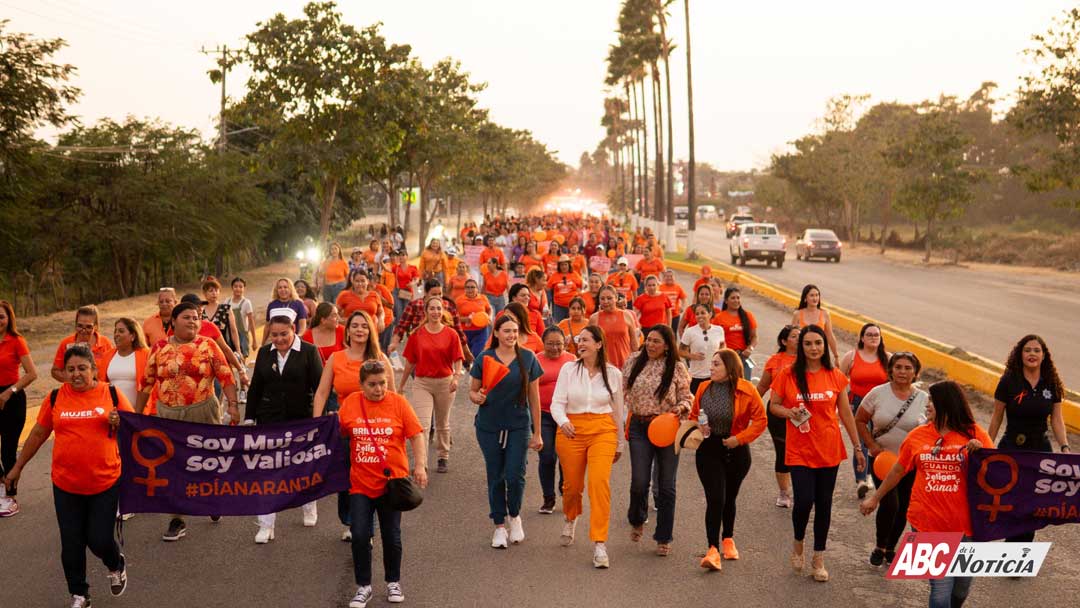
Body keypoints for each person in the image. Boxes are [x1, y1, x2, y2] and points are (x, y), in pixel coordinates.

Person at [3, 345, 131, 606]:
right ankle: (79, 594)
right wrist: (17, 468)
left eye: (82, 368)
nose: (76, 374)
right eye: (70, 369)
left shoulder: (112, 394)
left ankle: (115, 563)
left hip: (104, 482)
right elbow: (38, 434)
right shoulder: (54, 398)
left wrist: (122, 423)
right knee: (71, 542)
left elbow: (137, 430)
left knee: (99, 539)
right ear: (63, 373)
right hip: (66, 484)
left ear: (94, 370)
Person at [860, 381, 992, 608]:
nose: (927, 405)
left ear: (947, 404)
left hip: (967, 524)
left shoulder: (975, 433)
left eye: (932, 401)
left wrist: (980, 452)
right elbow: (898, 470)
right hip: (927, 520)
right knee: (940, 588)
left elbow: (995, 474)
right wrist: (875, 497)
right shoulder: (917, 436)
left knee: (961, 587)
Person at [768, 324, 864, 582]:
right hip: (800, 449)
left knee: (824, 504)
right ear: (801, 347)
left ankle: (818, 557)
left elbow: (845, 413)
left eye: (818, 343)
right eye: (808, 343)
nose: (813, 348)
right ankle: (798, 542)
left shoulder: (835, 375)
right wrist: (789, 413)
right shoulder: (788, 374)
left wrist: (857, 447)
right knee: (804, 501)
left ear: (824, 346)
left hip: (829, 449)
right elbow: (774, 405)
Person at [138, 301, 239, 542]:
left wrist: (233, 406)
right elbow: (147, 382)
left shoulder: (208, 345)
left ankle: (211, 498)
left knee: (207, 460)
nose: (193, 321)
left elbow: (226, 377)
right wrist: (136, 413)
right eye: (187, 317)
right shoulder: (159, 347)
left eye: (196, 317)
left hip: (203, 412)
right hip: (168, 415)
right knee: (173, 466)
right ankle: (177, 518)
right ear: (173, 322)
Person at [339, 360, 428, 608]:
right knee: (358, 535)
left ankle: (393, 582)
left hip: (392, 484)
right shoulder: (351, 403)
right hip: (360, 483)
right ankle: (363, 586)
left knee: (392, 536)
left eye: (383, 383)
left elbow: (416, 434)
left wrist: (419, 465)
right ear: (361, 385)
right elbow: (337, 432)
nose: (379, 389)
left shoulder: (398, 403)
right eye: (372, 385)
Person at [314, 310, 395, 541]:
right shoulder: (336, 359)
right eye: (355, 326)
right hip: (345, 429)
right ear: (347, 331)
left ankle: (366, 528)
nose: (359, 330)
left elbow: (393, 397)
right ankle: (350, 520)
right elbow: (321, 392)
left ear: (370, 331)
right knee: (346, 478)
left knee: (371, 479)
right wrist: (317, 423)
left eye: (364, 326)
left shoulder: (380, 359)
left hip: (375, 431)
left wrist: (393, 431)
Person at [245, 309, 324, 542]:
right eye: (274, 335)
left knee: (303, 467)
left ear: (294, 330)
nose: (278, 339)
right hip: (269, 420)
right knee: (268, 471)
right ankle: (266, 524)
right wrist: (250, 417)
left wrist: (320, 418)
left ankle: (309, 506)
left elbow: (320, 387)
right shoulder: (264, 353)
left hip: (301, 419)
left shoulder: (309, 351)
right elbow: (256, 388)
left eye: (283, 334)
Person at [550, 325, 624, 568]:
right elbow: (556, 404)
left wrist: (620, 442)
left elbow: (618, 411)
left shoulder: (613, 374)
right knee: (571, 487)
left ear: (599, 344)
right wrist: (564, 422)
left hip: (603, 430)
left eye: (585, 340)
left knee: (598, 483)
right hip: (572, 429)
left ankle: (599, 543)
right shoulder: (568, 369)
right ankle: (571, 517)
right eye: (578, 340)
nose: (580, 344)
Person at [469, 314, 544, 549]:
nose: (511, 335)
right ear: (497, 333)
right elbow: (472, 391)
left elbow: (534, 397)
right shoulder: (485, 357)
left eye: (515, 331)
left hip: (518, 424)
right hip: (489, 425)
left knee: (515, 474)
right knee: (496, 475)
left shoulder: (528, 358)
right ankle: (499, 526)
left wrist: (537, 432)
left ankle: (514, 515)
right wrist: (478, 397)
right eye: (507, 331)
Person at [987, 334, 1069, 543]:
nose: (1032, 354)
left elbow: (1057, 420)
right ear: (1020, 354)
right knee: (1013, 500)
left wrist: (1065, 446)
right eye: (1027, 350)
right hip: (1012, 448)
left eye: (1036, 350)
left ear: (1044, 356)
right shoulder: (1008, 381)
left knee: (1033, 503)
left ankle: (1021, 550)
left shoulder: (1052, 383)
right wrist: (987, 446)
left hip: (1040, 449)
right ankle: (1012, 545)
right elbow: (996, 419)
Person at [692, 348, 767, 570]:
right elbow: (694, 415)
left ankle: (728, 539)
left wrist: (740, 439)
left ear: (730, 368)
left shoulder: (747, 390)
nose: (711, 368)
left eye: (716, 364)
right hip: (709, 449)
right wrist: (698, 425)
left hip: (737, 451)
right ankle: (712, 549)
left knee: (729, 498)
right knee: (716, 498)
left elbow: (761, 420)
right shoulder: (704, 387)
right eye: (711, 363)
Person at [623, 325, 692, 556]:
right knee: (640, 481)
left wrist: (679, 409)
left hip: (667, 428)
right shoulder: (633, 361)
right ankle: (637, 518)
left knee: (666, 486)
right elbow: (623, 391)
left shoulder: (677, 368)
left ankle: (663, 536)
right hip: (639, 428)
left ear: (666, 346)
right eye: (649, 340)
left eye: (656, 342)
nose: (650, 345)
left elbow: (686, 398)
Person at [855, 352, 927, 567]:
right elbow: (860, 420)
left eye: (907, 368)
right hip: (883, 460)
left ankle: (891, 547)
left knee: (903, 506)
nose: (903, 372)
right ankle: (880, 545)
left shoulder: (924, 399)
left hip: (911, 463)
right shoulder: (877, 393)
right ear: (891, 370)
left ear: (915, 372)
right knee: (890, 503)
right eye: (898, 367)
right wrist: (872, 446)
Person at [400, 297, 465, 475]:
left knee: (442, 423)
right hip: (422, 383)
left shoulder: (451, 334)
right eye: (432, 309)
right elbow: (410, 362)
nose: (435, 312)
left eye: (439, 309)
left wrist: (456, 378)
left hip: (445, 382)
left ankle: (443, 455)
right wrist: (401, 384)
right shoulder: (417, 334)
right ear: (426, 312)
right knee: (423, 424)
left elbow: (458, 359)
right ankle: (422, 463)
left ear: (442, 311)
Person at [840, 323, 889, 498]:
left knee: (876, 441)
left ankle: (871, 475)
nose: (873, 337)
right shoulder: (851, 356)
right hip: (858, 404)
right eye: (869, 335)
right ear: (862, 338)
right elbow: (838, 380)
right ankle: (861, 480)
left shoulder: (888, 358)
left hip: (881, 405)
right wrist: (841, 405)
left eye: (876, 335)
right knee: (860, 442)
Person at [0, 301, 38, 518]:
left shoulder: (17, 341)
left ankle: (11, 496)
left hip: (12, 399)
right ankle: (1, 486)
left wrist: (9, 392)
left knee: (7, 450)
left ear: (9, 318)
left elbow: (32, 373)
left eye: (1, 317)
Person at [756, 325, 799, 508]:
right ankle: (784, 493)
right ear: (784, 341)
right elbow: (763, 387)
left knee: (801, 454)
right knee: (783, 453)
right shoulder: (775, 360)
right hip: (777, 412)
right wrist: (749, 408)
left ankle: (801, 489)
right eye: (794, 336)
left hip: (802, 415)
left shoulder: (810, 361)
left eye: (800, 336)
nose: (798, 339)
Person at [536, 327, 576, 515]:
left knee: (565, 456)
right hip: (543, 414)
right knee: (547, 456)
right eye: (550, 344)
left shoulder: (571, 360)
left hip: (566, 416)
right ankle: (548, 498)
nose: (554, 348)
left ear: (565, 343)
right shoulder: (536, 360)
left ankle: (563, 485)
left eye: (558, 344)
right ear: (543, 344)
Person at [388, 279, 470, 364]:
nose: (438, 297)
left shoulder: (449, 307)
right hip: (419, 350)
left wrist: (466, 352)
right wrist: (394, 343)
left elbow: (459, 331)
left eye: (440, 294)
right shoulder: (415, 305)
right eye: (434, 294)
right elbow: (401, 326)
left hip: (442, 352)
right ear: (425, 293)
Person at [51, 305, 115, 382]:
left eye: (88, 327)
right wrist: (72, 380)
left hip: (99, 390)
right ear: (75, 325)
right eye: (80, 326)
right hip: (74, 391)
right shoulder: (66, 343)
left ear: (96, 327)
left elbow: (114, 370)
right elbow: (55, 371)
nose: (83, 330)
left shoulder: (105, 343)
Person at [99, 318, 151, 411]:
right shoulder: (107, 355)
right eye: (115, 331)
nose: (116, 334)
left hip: (139, 412)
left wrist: (138, 413)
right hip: (113, 413)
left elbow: (150, 386)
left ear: (133, 336)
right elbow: (101, 384)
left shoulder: (146, 355)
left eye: (121, 331)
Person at [679, 303, 725, 395]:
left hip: (714, 375)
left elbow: (723, 347)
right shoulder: (690, 332)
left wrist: (719, 358)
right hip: (696, 376)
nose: (700, 316)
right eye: (697, 314)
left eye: (703, 313)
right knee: (696, 405)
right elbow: (680, 351)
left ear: (710, 314)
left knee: (712, 405)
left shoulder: (719, 330)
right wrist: (693, 356)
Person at [590, 285, 639, 370]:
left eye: (609, 298)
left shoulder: (626, 315)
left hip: (625, 364)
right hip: (603, 366)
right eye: (602, 299)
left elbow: (634, 343)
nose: (605, 301)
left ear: (616, 298)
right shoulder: (594, 318)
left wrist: (636, 363)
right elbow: (590, 344)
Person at [716, 287, 757, 381]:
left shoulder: (748, 315)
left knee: (744, 385)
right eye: (733, 298)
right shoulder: (719, 318)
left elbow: (754, 337)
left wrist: (750, 349)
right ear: (726, 301)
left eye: (738, 298)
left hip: (743, 356)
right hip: (727, 357)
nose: (736, 300)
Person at [792, 285, 838, 361]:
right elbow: (793, 336)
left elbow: (830, 336)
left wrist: (836, 356)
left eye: (817, 295)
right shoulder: (797, 314)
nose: (815, 298)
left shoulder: (825, 314)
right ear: (805, 298)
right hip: (802, 354)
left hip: (820, 354)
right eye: (812, 295)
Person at [203, 276, 242, 356]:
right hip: (205, 350)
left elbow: (233, 330)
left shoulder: (226, 309)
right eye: (211, 291)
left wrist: (238, 350)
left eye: (216, 290)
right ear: (205, 293)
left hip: (223, 350)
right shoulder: (200, 311)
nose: (214, 293)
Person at [456, 278, 493, 359]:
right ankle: (467, 368)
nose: (470, 289)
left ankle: (476, 369)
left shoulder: (483, 298)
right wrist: (466, 319)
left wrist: (489, 317)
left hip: (481, 331)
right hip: (465, 332)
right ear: (464, 289)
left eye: (472, 287)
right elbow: (454, 318)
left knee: (477, 353)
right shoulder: (459, 300)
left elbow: (489, 309)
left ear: (477, 289)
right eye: (468, 287)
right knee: (465, 355)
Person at [263, 278, 309, 342]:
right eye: (280, 287)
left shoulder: (298, 303)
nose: (283, 290)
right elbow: (267, 326)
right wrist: (263, 343)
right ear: (277, 290)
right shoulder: (271, 304)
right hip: (274, 340)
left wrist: (299, 337)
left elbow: (303, 324)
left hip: (292, 340)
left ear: (290, 289)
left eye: (285, 287)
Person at [547, 256, 583, 324]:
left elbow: (580, 287)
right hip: (559, 306)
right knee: (558, 325)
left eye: (565, 264)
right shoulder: (555, 275)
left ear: (569, 265)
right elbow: (548, 287)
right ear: (559, 266)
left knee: (572, 324)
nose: (564, 267)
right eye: (562, 265)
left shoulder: (574, 274)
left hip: (572, 306)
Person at [229, 278, 258, 360]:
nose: (238, 288)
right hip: (230, 334)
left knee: (242, 358)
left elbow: (251, 322)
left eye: (241, 287)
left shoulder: (246, 302)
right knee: (230, 357)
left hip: (242, 335)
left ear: (244, 288)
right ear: (232, 287)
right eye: (235, 286)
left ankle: (242, 372)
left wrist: (254, 340)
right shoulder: (227, 302)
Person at [318, 242, 350, 308]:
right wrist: (321, 287)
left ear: (339, 250)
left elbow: (347, 277)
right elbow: (321, 275)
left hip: (339, 287)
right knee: (327, 307)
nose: (334, 251)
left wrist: (348, 288)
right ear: (330, 251)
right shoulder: (326, 262)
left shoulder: (343, 263)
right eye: (332, 249)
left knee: (336, 305)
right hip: (327, 287)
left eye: (335, 249)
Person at [658, 269, 687, 335]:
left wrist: (682, 307)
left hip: (675, 315)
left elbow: (684, 299)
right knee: (662, 333)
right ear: (664, 278)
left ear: (674, 278)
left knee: (673, 333)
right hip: (663, 315)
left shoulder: (678, 287)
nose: (669, 278)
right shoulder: (660, 288)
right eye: (667, 276)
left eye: (671, 276)